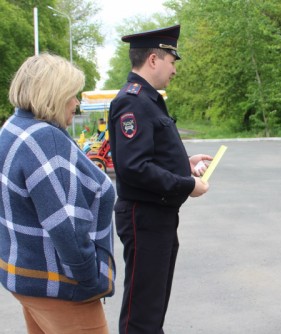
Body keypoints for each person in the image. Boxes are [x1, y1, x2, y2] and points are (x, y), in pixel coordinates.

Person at [0, 53, 116, 333]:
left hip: (25, 277)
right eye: (72, 95)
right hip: (62, 287)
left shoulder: (13, 128)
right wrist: (91, 280)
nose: (76, 105)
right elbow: (66, 228)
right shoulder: (45, 139)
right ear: (53, 95)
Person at [108, 24, 212, 334]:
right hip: (145, 216)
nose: (174, 70)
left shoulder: (147, 100)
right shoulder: (133, 101)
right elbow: (134, 167)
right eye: (172, 61)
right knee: (142, 313)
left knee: (152, 307)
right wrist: (187, 184)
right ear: (154, 59)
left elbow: (148, 154)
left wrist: (184, 164)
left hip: (157, 216)